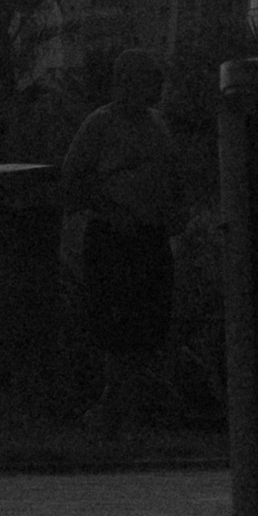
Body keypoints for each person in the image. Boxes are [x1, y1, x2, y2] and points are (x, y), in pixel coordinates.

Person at [59, 51, 186, 440]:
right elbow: (73, 180)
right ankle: (114, 412)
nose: (158, 88)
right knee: (117, 325)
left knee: (149, 324)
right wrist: (113, 211)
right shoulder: (100, 124)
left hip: (150, 237)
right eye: (150, 80)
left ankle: (121, 409)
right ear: (126, 82)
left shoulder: (158, 123)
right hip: (115, 239)